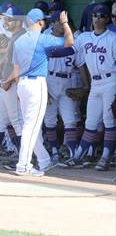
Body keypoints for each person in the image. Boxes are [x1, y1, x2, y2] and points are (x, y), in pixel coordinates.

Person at [7, 8, 74, 176]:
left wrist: (19, 88)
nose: (45, 22)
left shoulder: (19, 41)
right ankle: (23, 164)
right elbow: (69, 42)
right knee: (32, 126)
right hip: (36, 84)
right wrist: (65, 23)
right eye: (43, 20)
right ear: (39, 22)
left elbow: (15, 69)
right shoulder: (43, 39)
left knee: (30, 125)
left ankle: (43, 160)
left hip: (22, 84)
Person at [61, 4, 116, 171]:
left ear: (107, 19)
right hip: (96, 84)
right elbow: (69, 48)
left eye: (101, 16)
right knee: (90, 122)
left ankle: (105, 157)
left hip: (111, 81)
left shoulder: (112, 38)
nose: (97, 18)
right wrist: (64, 25)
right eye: (95, 15)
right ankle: (78, 156)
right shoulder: (84, 37)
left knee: (108, 121)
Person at [43, 11, 86, 165]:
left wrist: (85, 86)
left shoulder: (72, 41)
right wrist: (43, 88)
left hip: (67, 81)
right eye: (60, 22)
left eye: (65, 23)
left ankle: (73, 151)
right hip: (50, 80)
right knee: (50, 119)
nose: (62, 25)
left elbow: (80, 65)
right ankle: (54, 151)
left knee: (70, 120)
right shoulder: (46, 40)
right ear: (53, 23)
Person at [0, 5, 25, 167]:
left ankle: (25, 159)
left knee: (17, 122)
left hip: (15, 84)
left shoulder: (22, 37)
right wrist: (3, 60)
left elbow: (22, 65)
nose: (6, 22)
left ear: (18, 21)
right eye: (5, 19)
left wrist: (8, 80)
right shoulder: (15, 36)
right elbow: (10, 55)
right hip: (7, 84)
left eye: (10, 19)